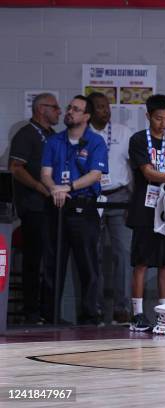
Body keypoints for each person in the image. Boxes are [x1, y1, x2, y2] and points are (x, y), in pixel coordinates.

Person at [40, 95, 108, 325]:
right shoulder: (54, 141)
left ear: (87, 116)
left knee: (88, 265)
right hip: (56, 205)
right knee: (52, 264)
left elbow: (95, 175)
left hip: (82, 207)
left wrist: (67, 187)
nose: (70, 112)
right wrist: (54, 189)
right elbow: (46, 173)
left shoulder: (96, 142)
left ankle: (89, 317)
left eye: (76, 109)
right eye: (69, 108)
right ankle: (49, 316)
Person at [127, 94, 165, 331]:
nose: (163, 124)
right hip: (144, 208)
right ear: (148, 116)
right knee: (142, 262)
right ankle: (137, 313)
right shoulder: (138, 140)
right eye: (158, 118)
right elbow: (148, 172)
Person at [8, 93, 60, 323]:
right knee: (34, 260)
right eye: (54, 107)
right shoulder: (26, 134)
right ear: (41, 109)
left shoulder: (52, 135)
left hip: (51, 207)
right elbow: (16, 168)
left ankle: (49, 312)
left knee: (50, 261)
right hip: (33, 207)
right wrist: (40, 187)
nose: (59, 111)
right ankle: (31, 311)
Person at [87, 92, 133, 325]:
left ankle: (121, 308)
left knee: (122, 254)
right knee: (91, 254)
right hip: (91, 197)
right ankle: (91, 308)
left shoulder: (123, 132)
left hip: (118, 195)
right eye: (99, 107)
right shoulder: (83, 134)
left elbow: (133, 168)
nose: (105, 110)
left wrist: (131, 201)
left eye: (106, 106)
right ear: (90, 111)